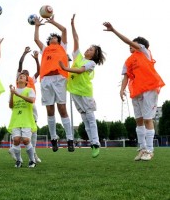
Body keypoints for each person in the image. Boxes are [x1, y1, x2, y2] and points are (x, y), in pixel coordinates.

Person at [103, 21, 165, 161]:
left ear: (140, 45)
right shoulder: (128, 61)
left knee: (148, 119)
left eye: (133, 43)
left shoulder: (144, 52)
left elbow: (126, 41)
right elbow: (125, 77)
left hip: (149, 88)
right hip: (136, 91)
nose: (130, 45)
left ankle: (150, 150)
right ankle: (142, 149)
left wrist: (113, 30)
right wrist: (121, 90)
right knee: (139, 121)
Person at [59, 14, 106, 158]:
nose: (88, 50)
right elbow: (76, 39)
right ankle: (93, 143)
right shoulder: (79, 57)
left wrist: (66, 69)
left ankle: (96, 143)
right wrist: (73, 25)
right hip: (75, 92)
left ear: (95, 55)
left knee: (90, 118)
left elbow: (79, 70)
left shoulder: (91, 63)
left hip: (85, 93)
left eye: (92, 50)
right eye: (89, 48)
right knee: (84, 119)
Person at [34, 15, 74, 152]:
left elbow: (64, 29)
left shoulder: (63, 46)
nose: (53, 39)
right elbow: (36, 39)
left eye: (55, 37)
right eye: (51, 38)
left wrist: (52, 22)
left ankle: (70, 139)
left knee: (62, 108)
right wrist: (37, 26)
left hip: (59, 78)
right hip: (46, 79)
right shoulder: (45, 49)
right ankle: (54, 138)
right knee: (50, 110)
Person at [9, 46, 42, 163]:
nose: (24, 73)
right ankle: (18, 149)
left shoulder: (31, 80)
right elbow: (20, 63)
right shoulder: (19, 80)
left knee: (34, 128)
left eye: (26, 73)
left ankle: (33, 152)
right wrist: (24, 53)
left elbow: (39, 71)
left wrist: (37, 59)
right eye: (23, 73)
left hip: (31, 104)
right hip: (21, 106)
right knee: (22, 130)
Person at [8, 73, 37, 168]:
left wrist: (18, 95)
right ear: (17, 80)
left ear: (26, 81)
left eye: (24, 76)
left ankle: (32, 160)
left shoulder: (29, 90)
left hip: (26, 119)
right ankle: (18, 160)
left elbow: (31, 100)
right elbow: (11, 106)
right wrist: (12, 95)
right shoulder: (13, 91)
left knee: (26, 140)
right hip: (16, 119)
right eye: (20, 75)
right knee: (16, 140)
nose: (21, 76)